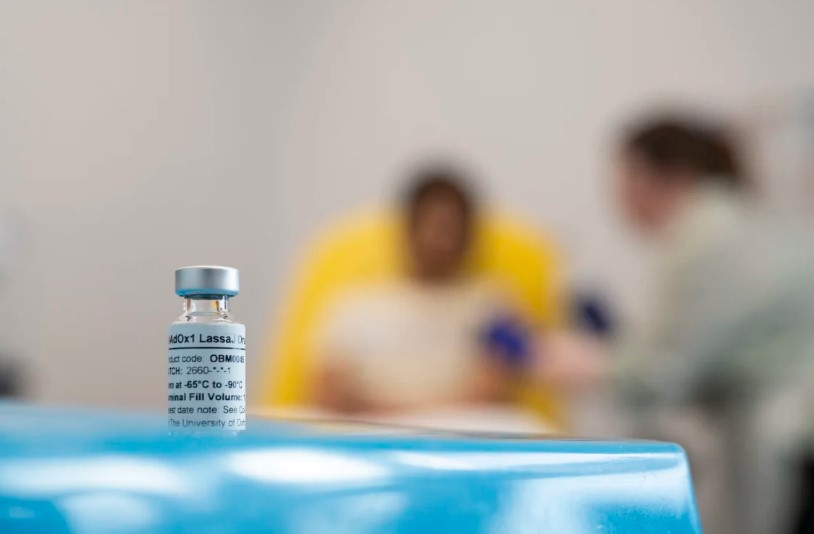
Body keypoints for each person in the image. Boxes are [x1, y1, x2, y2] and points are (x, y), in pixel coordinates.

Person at [536, 115, 814, 534]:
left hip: (786, 436)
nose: (615, 195)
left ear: (651, 177)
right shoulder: (736, 219)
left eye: (622, 177)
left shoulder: (702, 240)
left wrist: (584, 363)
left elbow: (660, 373)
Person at [311, 166, 518, 415]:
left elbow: (490, 394)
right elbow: (327, 395)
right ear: (408, 226)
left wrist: (374, 407)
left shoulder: (493, 304)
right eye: (436, 226)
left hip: (459, 443)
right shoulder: (353, 304)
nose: (445, 241)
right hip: (367, 441)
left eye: (455, 228)